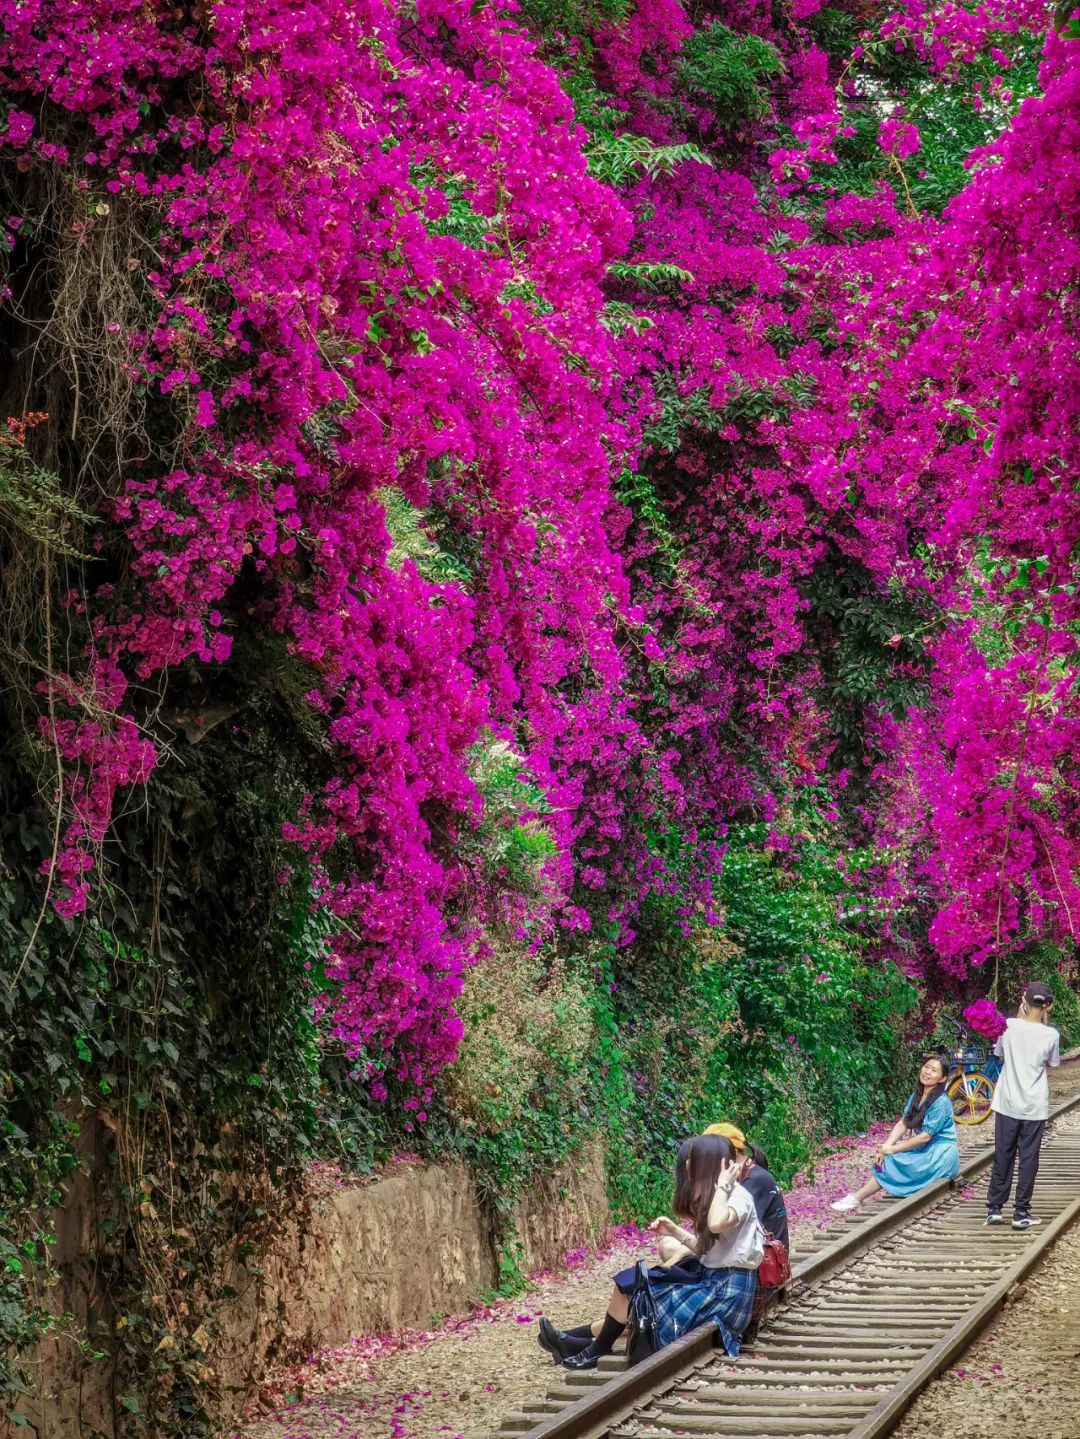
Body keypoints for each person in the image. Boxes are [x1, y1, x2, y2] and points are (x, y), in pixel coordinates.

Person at [537, 1135, 762, 1368]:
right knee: (633, 1288)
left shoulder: (738, 1196)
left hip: (726, 1295)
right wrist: (675, 1231)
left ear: (707, 1165)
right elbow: (707, 1251)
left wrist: (724, 1184)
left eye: (692, 1162)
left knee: (647, 1307)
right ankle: (589, 1347)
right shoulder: (719, 1195)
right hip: (714, 1284)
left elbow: (716, 1224)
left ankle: (587, 1346)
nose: (686, 1166)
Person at [829, 1053, 958, 1211]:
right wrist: (885, 1147)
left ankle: (856, 1198)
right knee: (887, 1157)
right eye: (926, 1067)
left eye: (934, 1070)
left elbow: (925, 1137)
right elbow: (903, 1123)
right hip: (926, 1150)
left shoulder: (941, 1102)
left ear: (942, 1078)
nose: (927, 1072)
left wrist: (893, 1149)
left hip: (941, 1154)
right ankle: (856, 1198)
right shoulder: (917, 1096)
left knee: (892, 1159)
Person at [986, 982, 1060, 1230]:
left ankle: (995, 1209)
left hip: (1007, 1102)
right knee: (1028, 1158)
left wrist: (1017, 1020)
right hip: (1034, 1106)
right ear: (1048, 1005)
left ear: (1023, 999)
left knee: (1003, 1154)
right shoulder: (1051, 1035)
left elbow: (999, 1054)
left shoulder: (1008, 1027)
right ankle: (1021, 1212)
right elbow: (1053, 1062)